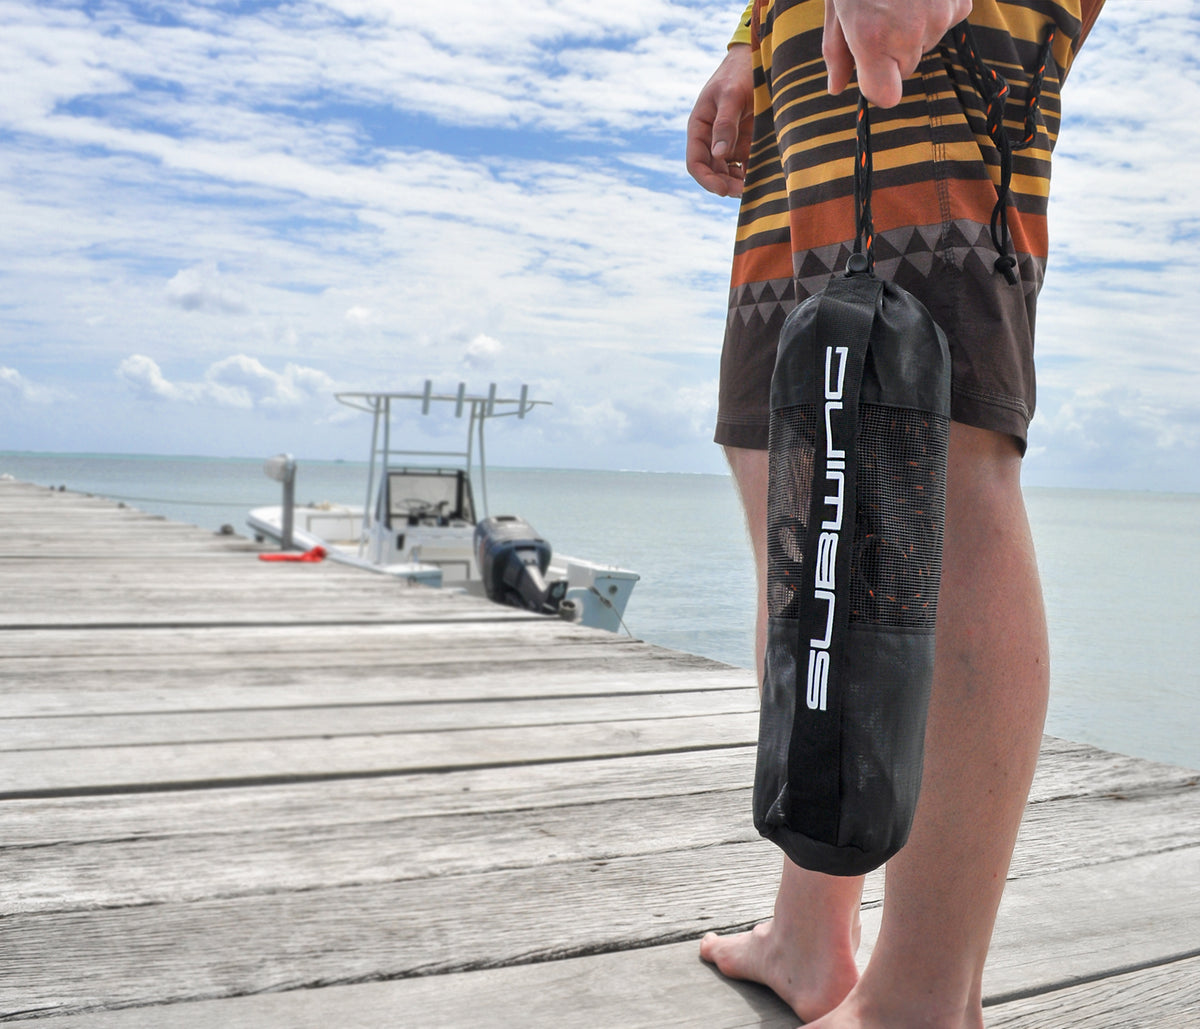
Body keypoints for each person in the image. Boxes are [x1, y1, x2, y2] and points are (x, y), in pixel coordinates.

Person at [686, 1, 1104, 1026]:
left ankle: (921, 1002)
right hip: (801, 44)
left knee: (935, 449)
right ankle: (810, 935)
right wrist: (751, 37)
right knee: (788, 454)